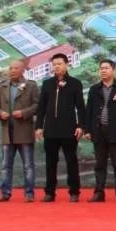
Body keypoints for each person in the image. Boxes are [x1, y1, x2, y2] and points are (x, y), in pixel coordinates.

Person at [35, 53, 85, 202]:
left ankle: (74, 192)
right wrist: (39, 127)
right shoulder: (47, 84)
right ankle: (50, 192)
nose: (56, 67)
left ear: (66, 65)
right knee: (50, 162)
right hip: (50, 130)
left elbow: (81, 107)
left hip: (69, 129)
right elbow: (41, 107)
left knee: (71, 161)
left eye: (59, 64)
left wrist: (80, 126)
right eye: (54, 64)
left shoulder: (75, 83)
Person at [0, 60, 39, 202]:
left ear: (23, 70)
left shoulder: (31, 86)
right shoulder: (1, 86)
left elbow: (37, 105)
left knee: (28, 166)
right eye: (11, 68)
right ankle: (5, 193)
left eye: (16, 68)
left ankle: (29, 194)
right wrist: (0, 113)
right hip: (7, 132)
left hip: (24, 131)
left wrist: (24, 113)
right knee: (5, 166)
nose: (13, 70)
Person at [84, 59, 116, 203]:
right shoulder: (94, 89)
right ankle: (99, 193)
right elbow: (89, 111)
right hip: (98, 131)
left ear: (114, 70)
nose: (103, 70)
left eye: (106, 68)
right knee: (99, 164)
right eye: (101, 68)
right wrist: (87, 130)